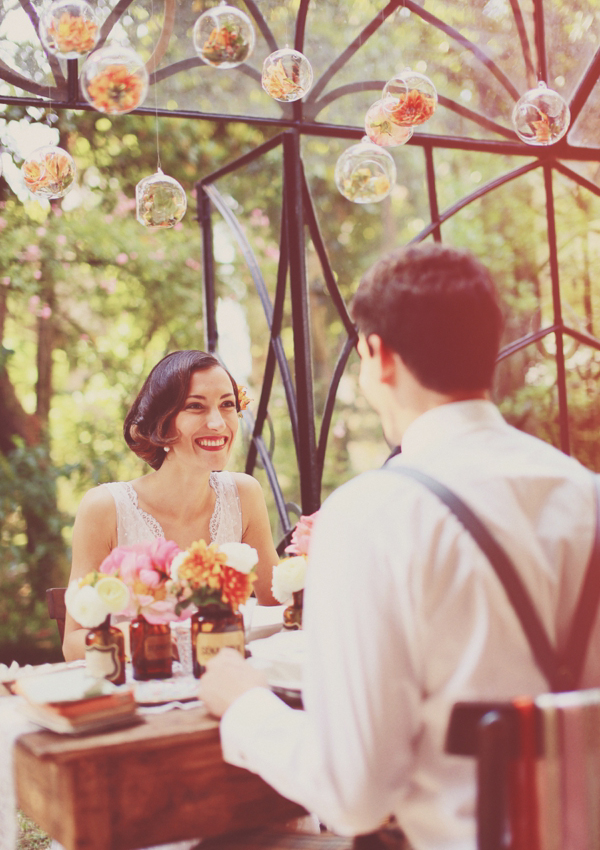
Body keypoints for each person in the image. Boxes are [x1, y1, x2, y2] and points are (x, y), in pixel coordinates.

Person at [198, 243, 600, 850]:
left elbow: (355, 795)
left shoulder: (374, 514)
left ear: (378, 356)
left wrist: (245, 705)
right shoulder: (586, 494)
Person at [63, 349, 280, 661]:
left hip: (223, 687)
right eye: (195, 406)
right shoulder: (105, 509)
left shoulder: (245, 494)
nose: (218, 423)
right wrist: (161, 638)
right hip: (143, 694)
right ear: (162, 424)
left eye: (227, 404)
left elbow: (279, 606)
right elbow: (73, 644)